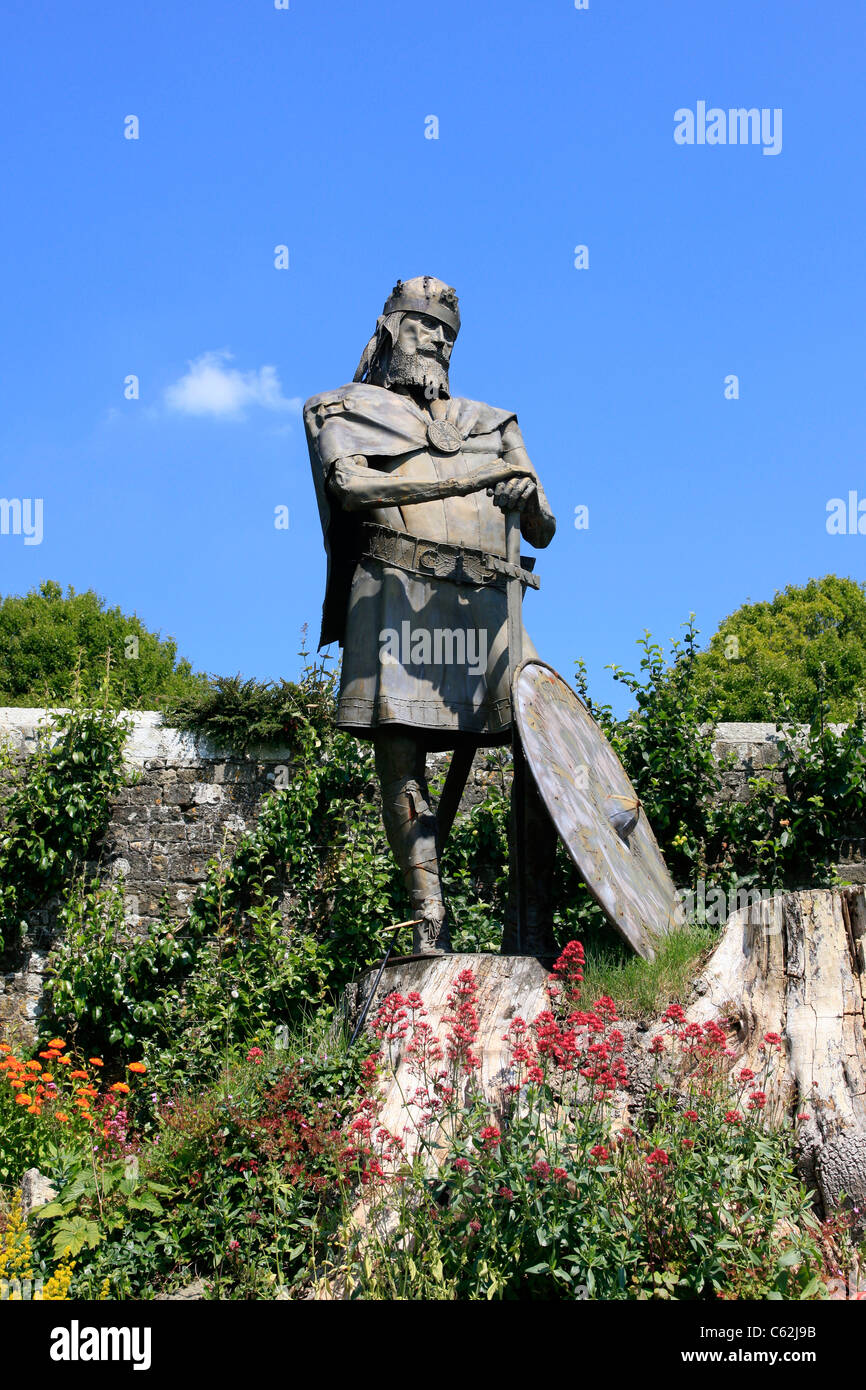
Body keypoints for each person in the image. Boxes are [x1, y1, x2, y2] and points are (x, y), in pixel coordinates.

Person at [305, 276, 558, 955]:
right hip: (394, 596)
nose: (439, 340)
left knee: (542, 753)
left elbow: (542, 525)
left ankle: (532, 926)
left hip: (488, 607)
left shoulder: (493, 422)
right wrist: (465, 477)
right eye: (423, 327)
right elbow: (352, 486)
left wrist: (521, 493)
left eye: (448, 332)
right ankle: (428, 926)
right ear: (390, 330)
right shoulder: (343, 408)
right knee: (401, 755)